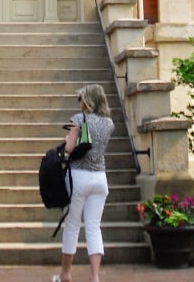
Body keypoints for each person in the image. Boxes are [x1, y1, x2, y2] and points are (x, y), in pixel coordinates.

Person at [53, 83, 114, 282]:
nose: (78, 102)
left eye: (80, 98)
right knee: (94, 227)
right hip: (99, 178)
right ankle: (94, 277)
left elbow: (69, 149)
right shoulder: (108, 123)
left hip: (78, 176)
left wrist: (65, 143)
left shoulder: (79, 119)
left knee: (72, 226)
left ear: (87, 101)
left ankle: (66, 274)